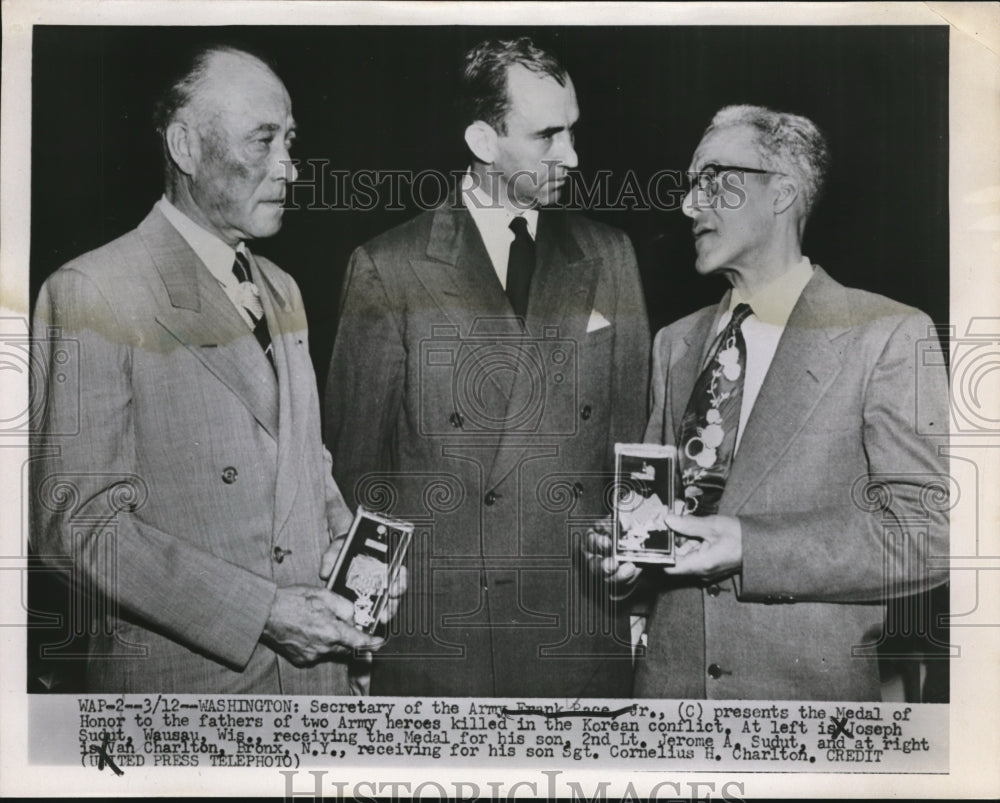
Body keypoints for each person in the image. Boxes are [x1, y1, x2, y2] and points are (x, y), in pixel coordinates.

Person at [31, 45, 399, 693]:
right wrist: (261, 611)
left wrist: (351, 550)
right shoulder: (95, 288)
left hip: (314, 680)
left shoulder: (281, 287)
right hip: (194, 691)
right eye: (263, 141)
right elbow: (78, 526)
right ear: (186, 147)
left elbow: (302, 461)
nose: (289, 167)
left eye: (290, 140)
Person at [587, 105, 949, 701]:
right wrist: (622, 554)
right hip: (667, 707)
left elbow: (932, 532)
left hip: (804, 715)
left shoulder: (887, 332)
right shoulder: (673, 344)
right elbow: (654, 516)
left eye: (709, 179)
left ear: (781, 193)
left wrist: (751, 546)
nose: (686, 203)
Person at [325, 37, 650, 696]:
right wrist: (359, 637)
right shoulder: (387, 267)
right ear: (482, 139)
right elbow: (355, 472)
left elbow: (634, 448)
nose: (573, 156)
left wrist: (636, 570)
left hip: (577, 632)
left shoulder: (610, 256)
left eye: (574, 130)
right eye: (547, 136)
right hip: (442, 644)